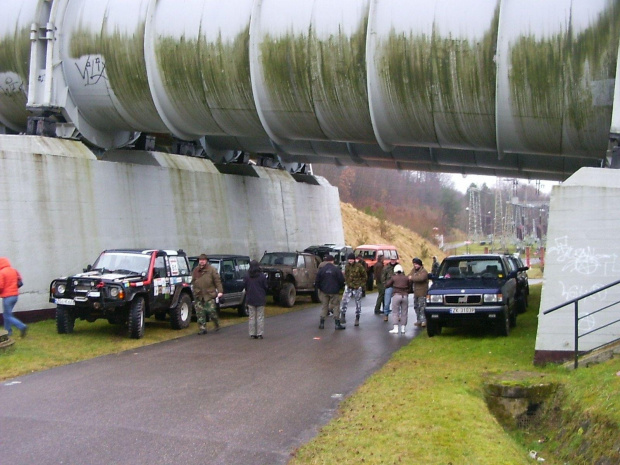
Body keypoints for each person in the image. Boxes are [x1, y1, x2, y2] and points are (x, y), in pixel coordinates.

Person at [191, 254, 223, 335]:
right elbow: (193, 281)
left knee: (211, 311)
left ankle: (216, 323)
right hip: (198, 295)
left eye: (203, 260)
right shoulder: (196, 270)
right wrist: (194, 290)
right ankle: (202, 328)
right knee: (200, 313)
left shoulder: (212, 270)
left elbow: (217, 281)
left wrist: (220, 291)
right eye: (200, 260)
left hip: (209, 295)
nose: (201, 261)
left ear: (206, 261)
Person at [314, 255, 346, 330]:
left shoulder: (322, 270)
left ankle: (322, 323)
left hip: (324, 291)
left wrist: (321, 288)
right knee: (336, 306)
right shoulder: (336, 269)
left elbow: (317, 281)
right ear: (332, 261)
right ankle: (337, 324)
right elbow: (341, 280)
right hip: (334, 291)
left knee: (324, 306)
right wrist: (339, 288)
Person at [0, 257, 27, 338]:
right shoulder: (13, 270)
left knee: (7, 315)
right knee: (8, 314)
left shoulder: (1, 272)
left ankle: (22, 326)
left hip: (7, 297)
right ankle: (8, 332)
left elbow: (0, 286)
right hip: (15, 296)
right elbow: (20, 281)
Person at [243, 260, 268, 339]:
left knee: (252, 317)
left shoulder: (247, 276)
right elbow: (266, 287)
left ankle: (252, 333)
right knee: (260, 317)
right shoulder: (262, 276)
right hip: (260, 298)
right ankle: (259, 333)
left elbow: (245, 286)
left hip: (250, 298)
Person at [340, 253, 366, 326]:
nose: (350, 260)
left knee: (358, 303)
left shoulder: (359, 266)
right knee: (344, 301)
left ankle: (357, 318)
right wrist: (346, 282)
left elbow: (364, 276)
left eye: (351, 259)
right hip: (349, 286)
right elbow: (346, 275)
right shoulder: (347, 266)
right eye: (349, 259)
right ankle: (343, 315)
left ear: (354, 259)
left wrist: (361, 285)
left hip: (357, 287)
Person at [385, 264, 411, 334]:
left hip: (396, 295)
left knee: (395, 312)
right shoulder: (406, 278)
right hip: (405, 296)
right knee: (404, 312)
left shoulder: (394, 278)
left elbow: (387, 285)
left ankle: (395, 328)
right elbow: (409, 286)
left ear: (395, 271)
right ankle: (403, 328)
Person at [409, 257, 429, 327]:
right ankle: (419, 320)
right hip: (416, 293)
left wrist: (412, 278)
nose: (415, 266)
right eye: (414, 264)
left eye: (416, 264)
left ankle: (424, 321)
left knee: (422, 307)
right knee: (416, 307)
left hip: (422, 293)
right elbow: (409, 276)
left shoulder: (424, 271)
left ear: (420, 264)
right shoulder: (414, 270)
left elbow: (421, 278)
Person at [381, 257, 398, 322]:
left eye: (394, 259)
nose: (393, 260)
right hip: (389, 287)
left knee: (397, 302)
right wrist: (385, 284)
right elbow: (383, 277)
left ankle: (398, 315)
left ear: (396, 260)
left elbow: (402, 275)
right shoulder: (386, 267)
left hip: (397, 287)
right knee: (387, 302)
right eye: (392, 259)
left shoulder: (398, 267)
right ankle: (386, 314)